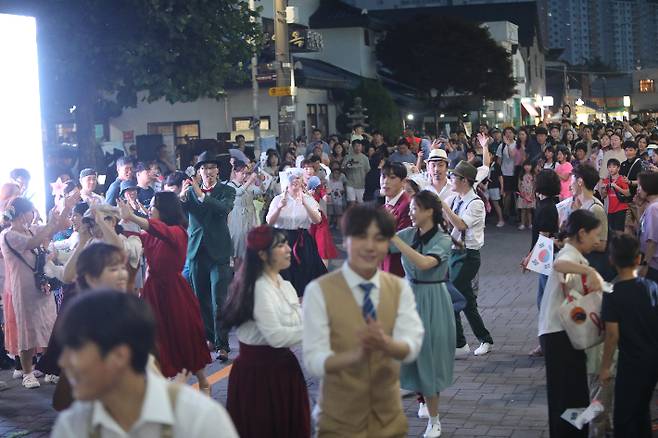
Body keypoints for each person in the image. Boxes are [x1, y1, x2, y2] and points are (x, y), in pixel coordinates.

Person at [303, 205, 424, 438]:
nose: (370, 246)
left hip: (389, 420)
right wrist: (354, 357)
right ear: (345, 241)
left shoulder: (399, 288)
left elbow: (412, 347)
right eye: (360, 236)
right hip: (337, 419)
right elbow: (313, 361)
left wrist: (387, 344)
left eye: (379, 239)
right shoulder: (319, 290)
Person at [51, 290, 239, 438]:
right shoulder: (72, 425)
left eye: (75, 350)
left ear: (119, 355)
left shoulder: (198, 418)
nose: (63, 362)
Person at [222, 226, 310, 438]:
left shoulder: (285, 284)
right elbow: (278, 337)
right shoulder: (258, 288)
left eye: (287, 243)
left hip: (283, 369)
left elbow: (297, 323)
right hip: (258, 375)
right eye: (280, 245)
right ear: (262, 254)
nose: (288, 249)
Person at [118, 192, 211, 390]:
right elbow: (134, 237)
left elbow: (158, 230)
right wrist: (109, 224)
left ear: (164, 209)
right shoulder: (153, 233)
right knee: (155, 336)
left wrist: (133, 216)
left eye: (153, 206)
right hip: (154, 289)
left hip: (174, 290)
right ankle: (162, 382)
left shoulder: (178, 231)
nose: (150, 210)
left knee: (184, 334)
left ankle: (203, 381)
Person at [389, 191, 456, 438]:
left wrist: (395, 241)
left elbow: (425, 263)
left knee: (430, 358)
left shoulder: (443, 239)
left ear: (429, 211)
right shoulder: (408, 234)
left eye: (415, 208)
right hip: (409, 299)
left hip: (433, 300)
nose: (411, 211)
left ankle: (434, 420)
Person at [538, 209, 604, 438]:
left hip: (562, 334)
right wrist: (589, 271)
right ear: (582, 233)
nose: (598, 240)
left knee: (572, 395)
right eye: (595, 235)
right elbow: (559, 265)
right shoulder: (569, 253)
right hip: (558, 335)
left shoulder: (576, 254)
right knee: (567, 397)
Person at [0, 197, 70, 388]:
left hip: (41, 285)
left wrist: (65, 209)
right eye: (31, 211)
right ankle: (27, 373)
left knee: (48, 325)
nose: (33, 214)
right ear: (23, 214)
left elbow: (56, 228)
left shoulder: (31, 229)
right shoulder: (8, 235)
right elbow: (33, 242)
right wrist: (49, 225)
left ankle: (49, 368)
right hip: (23, 288)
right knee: (27, 329)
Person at [600, 234, 658, 438]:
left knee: (624, 416)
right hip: (653, 361)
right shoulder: (652, 287)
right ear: (638, 259)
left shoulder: (613, 293)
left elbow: (612, 335)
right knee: (642, 410)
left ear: (611, 260)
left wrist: (605, 366)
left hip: (631, 362)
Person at [180, 151, 235, 361]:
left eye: (211, 168)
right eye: (203, 168)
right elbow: (177, 212)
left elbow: (223, 209)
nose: (207, 172)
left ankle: (223, 345)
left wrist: (202, 195)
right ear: (198, 172)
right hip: (196, 251)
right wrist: (181, 197)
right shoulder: (190, 191)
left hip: (219, 251)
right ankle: (210, 337)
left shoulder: (227, 190)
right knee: (201, 299)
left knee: (219, 299)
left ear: (218, 170)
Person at [441, 161, 494, 356]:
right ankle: (485, 339)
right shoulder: (456, 198)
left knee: (450, 296)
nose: (450, 179)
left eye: (454, 176)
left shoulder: (476, 203)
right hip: (454, 253)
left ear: (464, 180)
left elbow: (462, 224)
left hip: (469, 256)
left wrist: (444, 208)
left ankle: (460, 343)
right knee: (468, 302)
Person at [266, 169, 327, 296]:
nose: (295, 181)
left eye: (298, 178)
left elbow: (317, 220)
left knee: (304, 276)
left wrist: (304, 203)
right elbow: (270, 222)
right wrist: (279, 208)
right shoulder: (278, 199)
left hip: (302, 241)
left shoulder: (308, 199)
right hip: (281, 240)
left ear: (302, 181)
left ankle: (301, 305)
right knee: (282, 275)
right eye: (292, 179)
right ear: (286, 183)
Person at [570, 165, 613, 280]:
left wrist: (572, 243)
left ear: (580, 182)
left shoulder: (595, 208)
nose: (570, 185)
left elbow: (602, 245)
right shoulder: (581, 205)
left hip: (593, 267)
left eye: (572, 180)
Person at [380, 161, 412, 278]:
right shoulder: (385, 205)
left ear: (403, 182)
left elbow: (401, 241)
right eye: (383, 176)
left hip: (398, 269)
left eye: (392, 177)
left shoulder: (408, 205)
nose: (385, 181)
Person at [227, 160, 261, 268]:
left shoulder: (247, 184)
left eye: (247, 173)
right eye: (243, 173)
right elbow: (238, 192)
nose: (245, 175)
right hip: (238, 217)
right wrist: (250, 180)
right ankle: (237, 275)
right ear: (235, 173)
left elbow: (260, 191)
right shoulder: (230, 185)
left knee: (250, 245)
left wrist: (259, 180)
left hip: (250, 216)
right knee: (238, 245)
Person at [637, 171, 658, 283]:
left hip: (653, 264)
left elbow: (652, 240)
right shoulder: (651, 205)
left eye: (640, 185)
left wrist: (645, 264)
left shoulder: (654, 208)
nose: (638, 189)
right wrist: (639, 207)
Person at [600, 158, 630, 232]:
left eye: (614, 166)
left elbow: (628, 193)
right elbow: (603, 196)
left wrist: (616, 187)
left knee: (619, 232)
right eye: (609, 167)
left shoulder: (622, 179)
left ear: (618, 168)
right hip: (610, 210)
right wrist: (603, 188)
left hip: (621, 209)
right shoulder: (606, 180)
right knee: (612, 232)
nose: (611, 169)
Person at [342, 139, 370, 206]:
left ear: (361, 146)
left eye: (359, 146)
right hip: (350, 183)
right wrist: (347, 166)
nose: (357, 148)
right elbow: (343, 168)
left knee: (361, 203)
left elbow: (368, 170)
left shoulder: (365, 158)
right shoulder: (348, 157)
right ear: (353, 147)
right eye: (356, 146)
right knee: (352, 203)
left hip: (361, 184)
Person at [516, 160, 536, 230]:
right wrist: (521, 192)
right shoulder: (521, 175)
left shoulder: (533, 175)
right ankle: (522, 224)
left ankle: (530, 223)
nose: (527, 167)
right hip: (522, 194)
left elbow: (534, 186)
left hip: (530, 194)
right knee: (523, 210)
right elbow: (519, 184)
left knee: (529, 210)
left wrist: (533, 194)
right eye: (526, 165)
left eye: (529, 165)